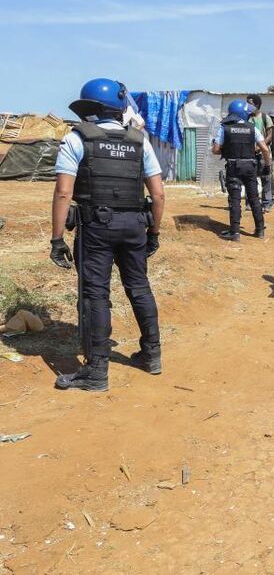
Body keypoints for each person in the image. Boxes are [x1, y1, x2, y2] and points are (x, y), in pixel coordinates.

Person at [49, 78, 165, 391]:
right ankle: (152, 356)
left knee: (95, 294)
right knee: (139, 286)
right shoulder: (140, 142)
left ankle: (96, 372)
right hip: (134, 226)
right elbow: (158, 194)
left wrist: (57, 239)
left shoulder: (77, 139)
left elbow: (63, 192)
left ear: (89, 109)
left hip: (95, 228)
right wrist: (153, 232)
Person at [212, 100, 272, 241]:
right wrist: (267, 166)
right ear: (243, 114)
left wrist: (226, 148)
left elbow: (215, 150)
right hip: (250, 167)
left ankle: (235, 232)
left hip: (233, 167)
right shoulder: (252, 128)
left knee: (235, 199)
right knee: (254, 199)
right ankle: (259, 230)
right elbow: (265, 149)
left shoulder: (224, 128)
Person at [247, 94, 274, 211]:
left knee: (266, 178)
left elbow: (270, 135)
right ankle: (250, 203)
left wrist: (260, 146)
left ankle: (266, 203)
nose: (248, 105)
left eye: (250, 103)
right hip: (249, 154)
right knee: (250, 179)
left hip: (263, 154)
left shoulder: (265, 117)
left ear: (257, 105)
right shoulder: (247, 118)